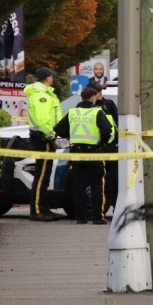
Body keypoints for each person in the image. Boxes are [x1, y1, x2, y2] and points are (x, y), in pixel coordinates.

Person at [55, 87, 113, 225]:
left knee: (78, 186)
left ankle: (81, 217)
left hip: (77, 153)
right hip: (93, 153)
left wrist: (71, 136)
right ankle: (97, 217)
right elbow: (107, 130)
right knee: (97, 185)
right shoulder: (97, 112)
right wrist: (102, 142)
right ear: (93, 98)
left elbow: (58, 129)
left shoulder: (73, 112)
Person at [24, 66, 63, 222]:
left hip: (42, 137)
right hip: (43, 138)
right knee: (41, 176)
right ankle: (38, 210)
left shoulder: (43, 94)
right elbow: (43, 120)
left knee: (44, 176)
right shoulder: (42, 96)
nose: (52, 79)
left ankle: (44, 209)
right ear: (48, 78)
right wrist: (52, 136)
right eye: (51, 77)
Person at [91, 83, 119, 218]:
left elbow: (118, 123)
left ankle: (117, 208)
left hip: (112, 148)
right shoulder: (86, 106)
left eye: (101, 90)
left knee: (115, 180)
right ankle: (100, 211)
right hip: (95, 149)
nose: (100, 93)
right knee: (99, 181)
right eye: (97, 91)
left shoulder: (109, 104)